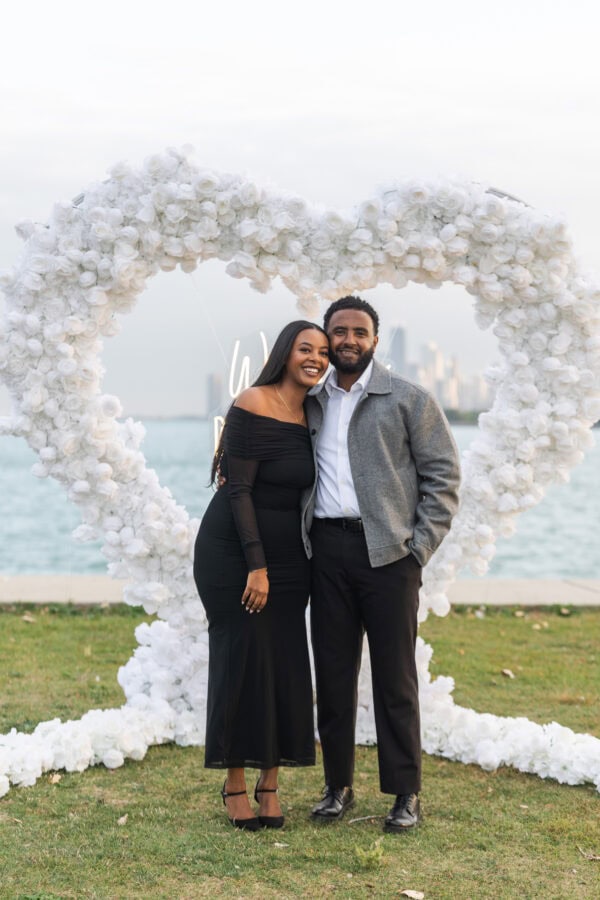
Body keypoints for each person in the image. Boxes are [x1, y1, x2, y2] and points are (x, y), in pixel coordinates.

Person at [301, 296, 460, 832]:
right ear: (327, 338)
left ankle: (405, 793)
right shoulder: (310, 401)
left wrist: (418, 549)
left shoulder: (408, 400)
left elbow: (443, 478)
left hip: (390, 557)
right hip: (326, 552)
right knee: (334, 673)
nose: (348, 340)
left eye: (359, 332)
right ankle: (337, 786)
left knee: (396, 680)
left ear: (374, 339)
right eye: (338, 332)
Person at [194, 320, 330, 830]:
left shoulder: (314, 412)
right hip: (235, 551)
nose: (316, 358)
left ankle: (270, 783)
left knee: (284, 662)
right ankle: (233, 784)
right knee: (240, 659)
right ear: (285, 353)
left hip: (292, 555)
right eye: (305, 348)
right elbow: (237, 489)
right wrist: (257, 565)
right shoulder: (253, 401)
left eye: (322, 351)